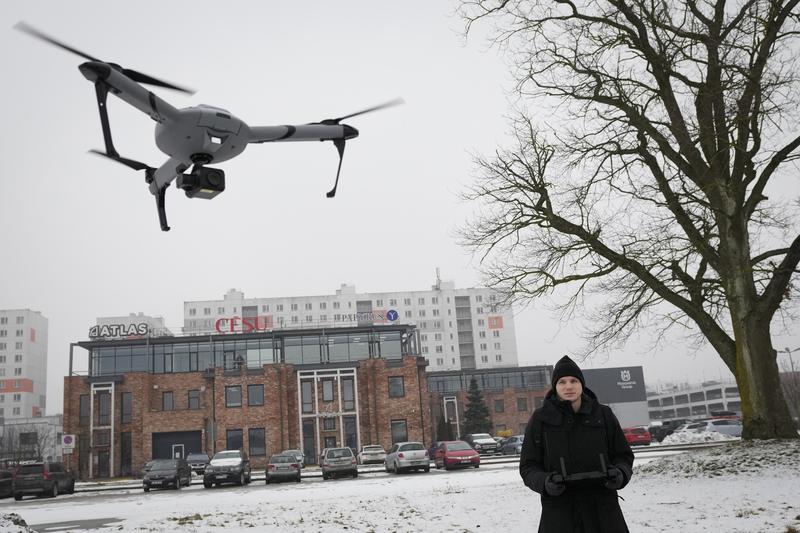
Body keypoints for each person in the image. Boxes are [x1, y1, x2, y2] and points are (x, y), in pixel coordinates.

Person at [520, 356, 634, 532]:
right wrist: (545, 483)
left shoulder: (603, 414)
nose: (568, 386)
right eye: (562, 382)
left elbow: (623, 455)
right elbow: (528, 466)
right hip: (560, 512)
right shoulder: (540, 419)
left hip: (603, 511)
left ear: (582, 384)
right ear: (555, 386)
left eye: (573, 380)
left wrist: (620, 473)